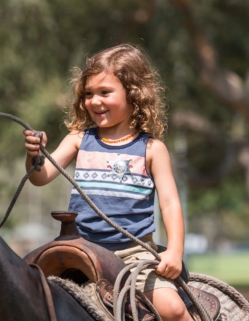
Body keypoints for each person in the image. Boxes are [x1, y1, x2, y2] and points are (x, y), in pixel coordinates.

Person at [23, 44, 192, 321]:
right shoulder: (78, 140)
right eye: (88, 94)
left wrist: (174, 250)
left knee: (172, 310)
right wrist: (33, 155)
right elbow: (40, 178)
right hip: (80, 249)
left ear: (134, 94)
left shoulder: (151, 149)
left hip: (133, 253)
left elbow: (170, 203)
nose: (94, 101)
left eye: (105, 92)